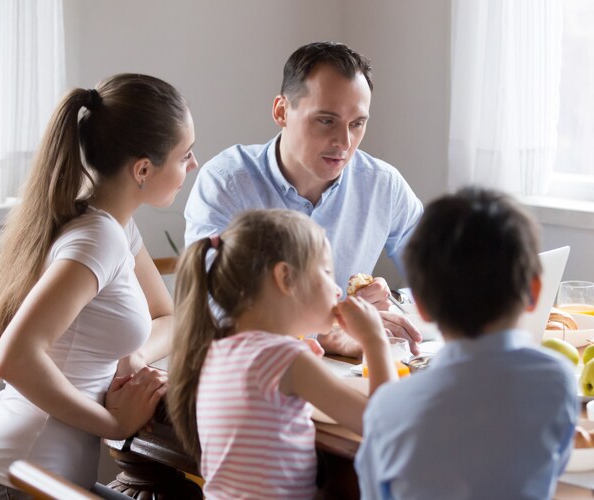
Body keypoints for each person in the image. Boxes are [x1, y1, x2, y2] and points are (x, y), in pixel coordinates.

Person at [0, 73, 198, 498]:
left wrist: (133, 355)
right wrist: (114, 424)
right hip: (23, 480)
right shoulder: (98, 237)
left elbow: (168, 316)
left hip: (49, 476)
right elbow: (13, 357)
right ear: (143, 168)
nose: (192, 166)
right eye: (185, 156)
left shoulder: (116, 226)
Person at [184, 41, 423, 357]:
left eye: (357, 124)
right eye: (326, 120)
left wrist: (389, 298)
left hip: (338, 369)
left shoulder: (382, 184)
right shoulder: (227, 183)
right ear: (282, 111)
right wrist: (325, 329)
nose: (344, 142)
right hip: (250, 376)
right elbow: (211, 311)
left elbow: (441, 278)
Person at [355, 187, 579, 500]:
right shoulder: (559, 380)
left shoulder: (389, 409)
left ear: (420, 305)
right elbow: (553, 467)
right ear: (535, 291)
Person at [168, 209, 395, 500]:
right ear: (286, 277)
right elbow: (384, 427)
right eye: (326, 272)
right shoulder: (285, 358)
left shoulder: (216, 348)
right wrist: (375, 341)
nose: (337, 288)